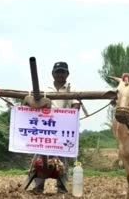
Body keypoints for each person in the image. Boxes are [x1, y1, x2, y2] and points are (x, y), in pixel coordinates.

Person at [32, 61, 81, 194]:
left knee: (63, 157)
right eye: (58, 72)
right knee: (40, 155)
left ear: (67, 74)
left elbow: (76, 106)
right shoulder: (44, 89)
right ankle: (38, 185)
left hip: (63, 130)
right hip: (46, 128)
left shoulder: (72, 90)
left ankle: (62, 187)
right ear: (53, 74)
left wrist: (68, 115)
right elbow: (36, 103)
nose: (60, 74)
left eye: (62, 72)